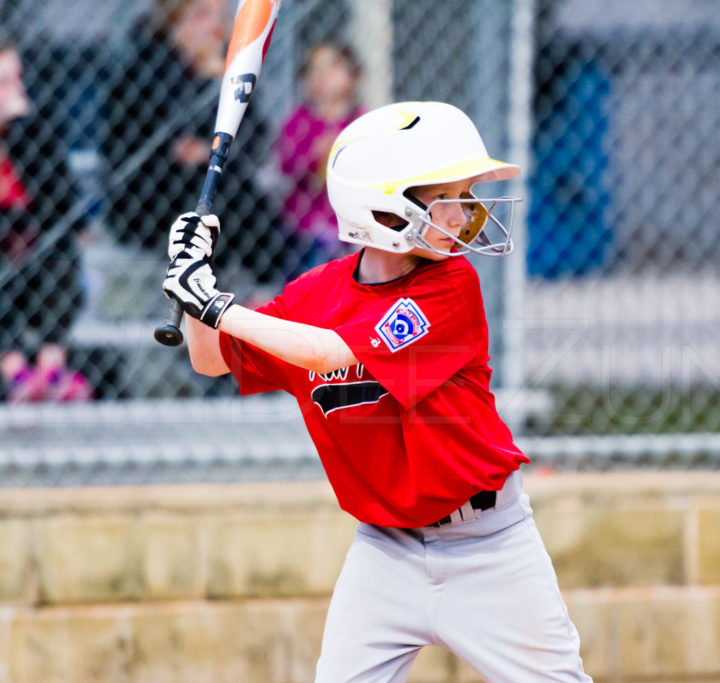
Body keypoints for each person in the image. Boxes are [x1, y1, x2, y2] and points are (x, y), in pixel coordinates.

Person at [161, 101, 591, 680]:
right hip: (385, 553)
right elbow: (210, 359)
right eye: (453, 196)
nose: (469, 213)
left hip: (490, 546)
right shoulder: (314, 294)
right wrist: (194, 280)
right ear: (387, 213)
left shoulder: (452, 287)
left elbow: (330, 353)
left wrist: (214, 303)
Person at [103, 0, 283, 284]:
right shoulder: (146, 68)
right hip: (149, 195)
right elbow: (154, 136)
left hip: (216, 184)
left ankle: (262, 286)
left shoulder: (225, 66)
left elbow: (254, 138)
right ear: (175, 23)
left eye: (220, 16)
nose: (215, 26)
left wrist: (219, 81)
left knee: (241, 194)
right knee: (219, 200)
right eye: (202, 15)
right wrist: (204, 84)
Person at [0, 35, 86, 373]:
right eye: (4, 83)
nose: (18, 92)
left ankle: (52, 365)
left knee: (59, 249)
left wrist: (23, 133)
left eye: (18, 79)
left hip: (33, 262)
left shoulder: (33, 134)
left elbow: (61, 207)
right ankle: (12, 367)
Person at [276, 41, 366, 278]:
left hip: (353, 221)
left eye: (332, 67)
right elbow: (287, 165)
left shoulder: (361, 121)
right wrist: (315, 157)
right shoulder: (299, 120)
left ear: (353, 77)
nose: (321, 75)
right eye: (313, 69)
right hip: (306, 225)